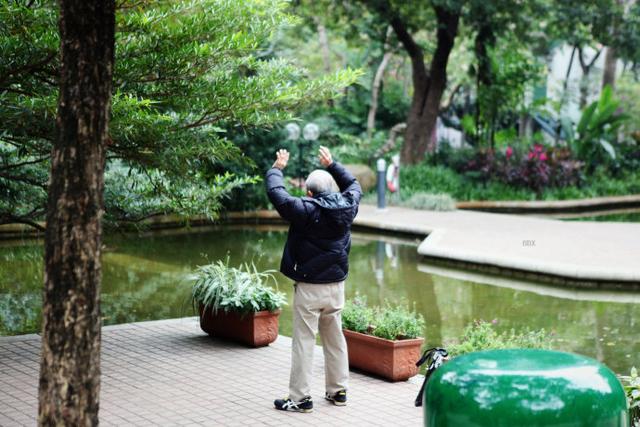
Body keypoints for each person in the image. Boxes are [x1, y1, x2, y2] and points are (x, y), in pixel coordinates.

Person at [266, 146, 362, 413]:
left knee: (304, 342)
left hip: (309, 287)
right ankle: (338, 391)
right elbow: (353, 184)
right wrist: (332, 164)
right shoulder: (348, 205)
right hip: (336, 287)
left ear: (309, 192)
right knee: (335, 339)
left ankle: (300, 398)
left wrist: (277, 169)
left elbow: (277, 194)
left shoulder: (305, 209)